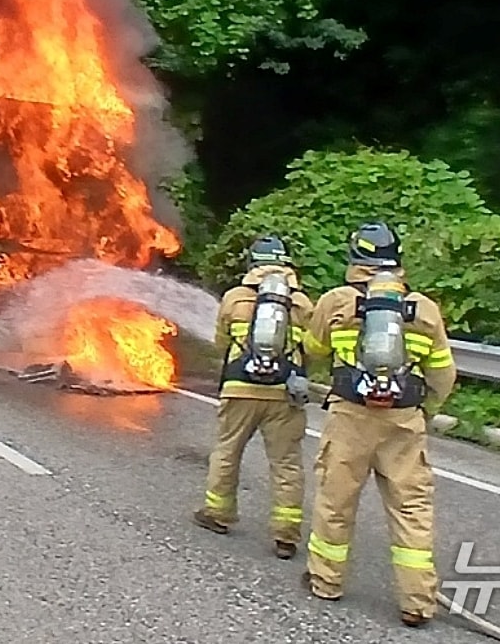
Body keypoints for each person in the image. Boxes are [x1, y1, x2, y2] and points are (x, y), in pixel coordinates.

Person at [301, 221, 457, 628]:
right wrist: (426, 410)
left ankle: (325, 580)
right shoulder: (423, 309)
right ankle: (417, 602)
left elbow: (312, 350)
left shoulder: (336, 301)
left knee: (336, 501)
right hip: (404, 422)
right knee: (411, 508)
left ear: (356, 259)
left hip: (350, 417)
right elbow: (443, 375)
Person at [194, 235, 314, 559]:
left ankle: (218, 513)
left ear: (253, 264)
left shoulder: (235, 298)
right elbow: (314, 348)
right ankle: (286, 535)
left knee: (227, 451)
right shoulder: (301, 303)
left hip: (240, 388)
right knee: (286, 463)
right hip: (284, 394)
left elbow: (221, 343)